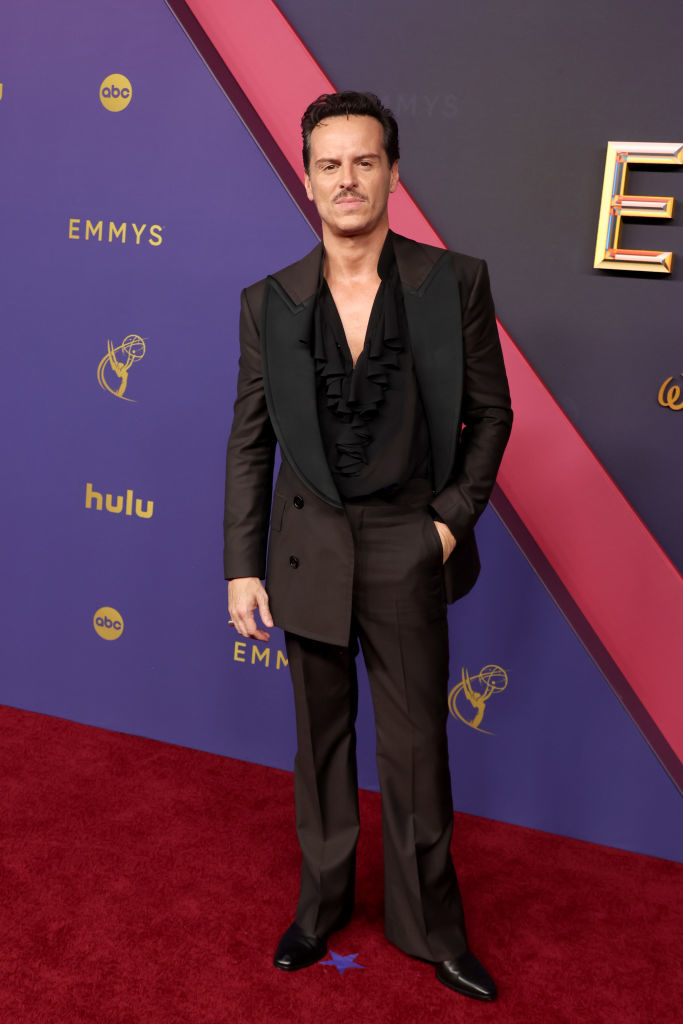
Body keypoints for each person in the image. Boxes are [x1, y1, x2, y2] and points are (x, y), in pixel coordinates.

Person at [223, 91, 512, 1002]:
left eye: (363, 161)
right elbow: (250, 440)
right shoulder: (268, 302)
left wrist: (446, 521)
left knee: (418, 746)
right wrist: (240, 563)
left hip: (405, 540)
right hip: (307, 546)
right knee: (320, 744)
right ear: (306, 179)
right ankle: (320, 907)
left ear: (391, 170)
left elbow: (491, 415)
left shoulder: (453, 281)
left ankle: (429, 927)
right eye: (327, 164)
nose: (346, 179)